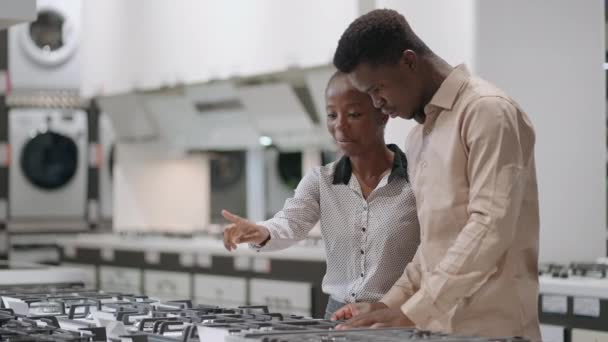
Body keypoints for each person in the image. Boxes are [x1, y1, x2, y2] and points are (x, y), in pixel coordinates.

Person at [330, 9, 541, 341]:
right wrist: (388, 305)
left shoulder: (486, 111)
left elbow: (490, 227)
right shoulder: (418, 137)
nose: (377, 103)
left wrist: (412, 311)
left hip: (492, 332)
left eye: (377, 88)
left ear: (409, 62)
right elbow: (432, 248)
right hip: (436, 330)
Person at [222, 71, 420, 319]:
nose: (340, 126)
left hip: (394, 315)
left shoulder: (417, 180)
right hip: (337, 315)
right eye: (331, 115)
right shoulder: (321, 180)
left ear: (382, 114)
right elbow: (291, 222)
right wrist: (262, 231)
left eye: (353, 114)